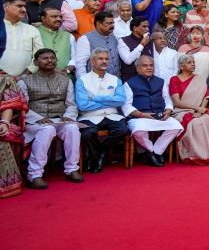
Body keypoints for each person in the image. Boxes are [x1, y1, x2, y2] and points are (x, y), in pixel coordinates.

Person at [19, 49, 83, 188]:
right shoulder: (25, 81)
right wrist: (37, 118)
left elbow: (71, 104)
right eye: (45, 58)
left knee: (72, 127)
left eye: (53, 58)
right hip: (34, 121)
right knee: (47, 129)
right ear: (36, 62)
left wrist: (68, 116)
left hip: (59, 119)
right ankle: (34, 174)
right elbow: (22, 106)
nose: (50, 60)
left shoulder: (65, 80)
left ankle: (72, 169)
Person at [121, 56, 183, 167]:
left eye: (151, 65)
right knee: (139, 130)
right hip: (139, 117)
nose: (149, 68)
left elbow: (167, 99)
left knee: (176, 126)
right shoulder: (129, 83)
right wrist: (141, 114)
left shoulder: (160, 81)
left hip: (159, 115)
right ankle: (152, 152)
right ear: (138, 68)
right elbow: (126, 106)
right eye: (145, 65)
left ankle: (154, 152)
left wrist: (168, 110)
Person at [76, 48, 128, 174]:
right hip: (89, 116)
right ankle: (98, 156)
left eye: (106, 59)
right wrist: (109, 101)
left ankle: (100, 152)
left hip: (111, 115)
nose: (104, 61)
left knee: (122, 130)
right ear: (92, 62)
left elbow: (120, 100)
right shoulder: (82, 80)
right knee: (88, 134)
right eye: (100, 59)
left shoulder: (115, 80)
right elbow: (83, 105)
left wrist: (96, 99)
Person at [169, 54, 209, 165]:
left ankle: (208, 155)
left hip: (199, 111)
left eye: (193, 62)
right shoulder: (174, 80)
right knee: (194, 123)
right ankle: (194, 155)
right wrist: (197, 109)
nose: (193, 64)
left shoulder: (199, 78)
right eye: (189, 62)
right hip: (180, 111)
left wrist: (200, 111)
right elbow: (177, 102)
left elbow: (206, 96)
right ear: (181, 66)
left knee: (205, 120)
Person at [0, 76, 27, 198]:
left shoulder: (5, 80)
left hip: (3, 121)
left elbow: (9, 105)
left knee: (3, 134)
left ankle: (6, 184)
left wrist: (4, 123)